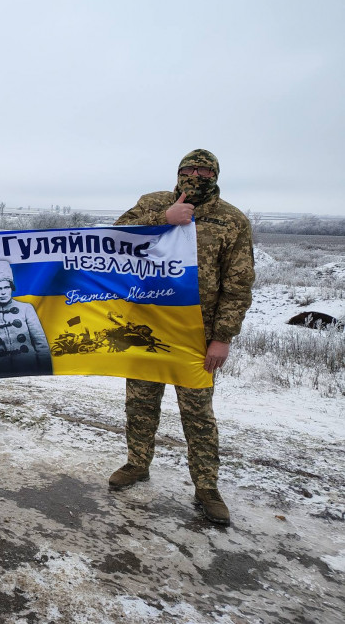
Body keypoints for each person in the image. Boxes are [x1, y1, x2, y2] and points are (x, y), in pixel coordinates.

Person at [109, 149, 255, 526]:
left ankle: (206, 487)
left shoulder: (231, 220)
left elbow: (238, 285)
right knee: (140, 403)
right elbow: (114, 238)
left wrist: (222, 337)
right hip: (147, 325)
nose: (196, 174)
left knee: (198, 414)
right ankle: (137, 464)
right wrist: (164, 219)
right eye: (189, 169)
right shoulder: (153, 202)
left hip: (196, 335)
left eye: (204, 170)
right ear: (178, 172)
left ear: (214, 174)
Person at [0, 260, 52, 379]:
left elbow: (41, 343)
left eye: (6, 287)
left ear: (11, 288)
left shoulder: (26, 308)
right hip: (0, 371)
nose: (3, 292)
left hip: (30, 369)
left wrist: (46, 372)